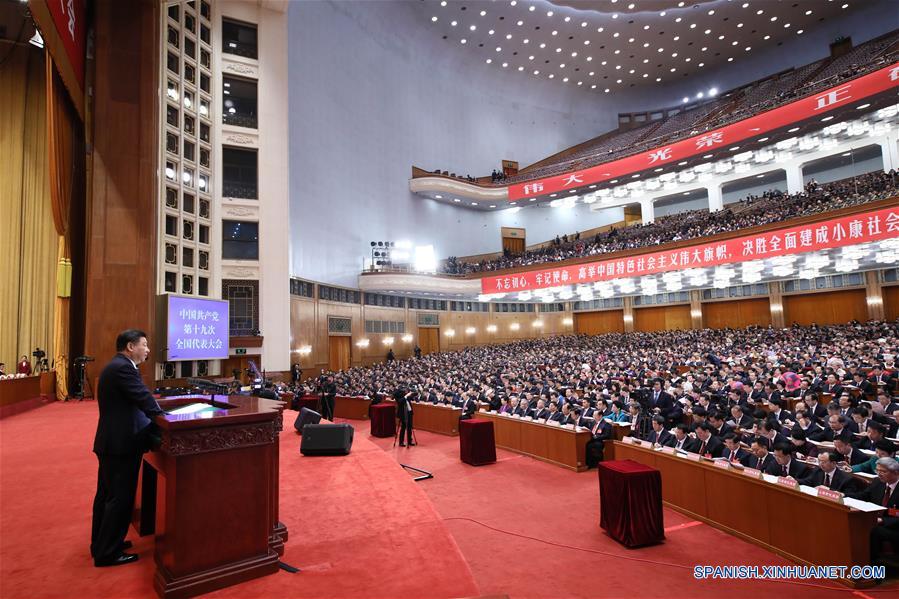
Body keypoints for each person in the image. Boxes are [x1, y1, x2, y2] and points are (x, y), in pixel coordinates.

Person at [90, 329, 164, 567]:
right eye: (144, 345)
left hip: (112, 442)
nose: (148, 350)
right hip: (121, 444)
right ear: (130, 347)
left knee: (107, 496)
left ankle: (102, 544)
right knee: (118, 499)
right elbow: (143, 397)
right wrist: (163, 419)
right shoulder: (123, 367)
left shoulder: (117, 366)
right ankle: (108, 553)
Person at [848, 458, 899, 567]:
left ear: (896, 472)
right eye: (877, 470)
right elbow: (863, 496)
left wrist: (882, 520)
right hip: (876, 521)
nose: (879, 474)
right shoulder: (877, 482)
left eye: (883, 471)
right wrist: (843, 495)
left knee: (873, 530)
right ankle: (854, 560)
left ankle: (871, 565)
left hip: (894, 527)